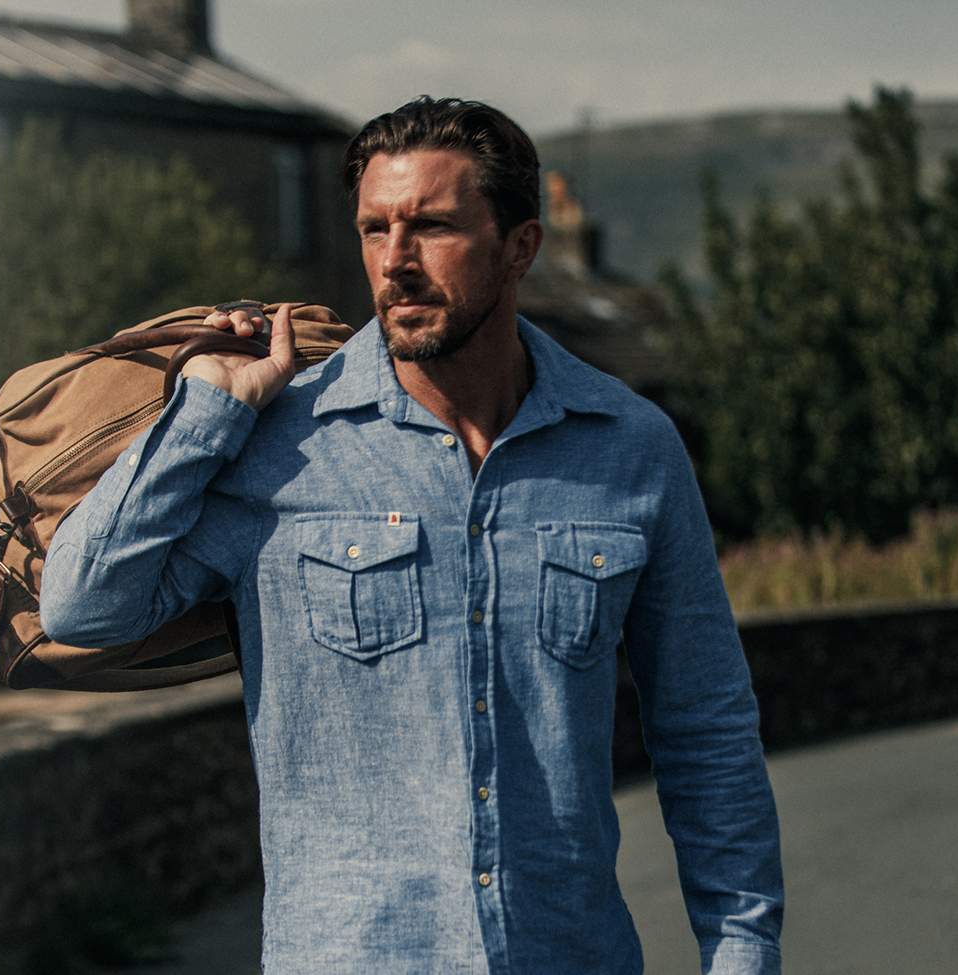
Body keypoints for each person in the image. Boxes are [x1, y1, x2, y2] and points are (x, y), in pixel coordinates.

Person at [40, 96, 783, 975]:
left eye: (431, 227)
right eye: (374, 229)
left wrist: (742, 952)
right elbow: (82, 607)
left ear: (520, 247)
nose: (395, 261)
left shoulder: (631, 448)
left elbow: (706, 726)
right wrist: (207, 409)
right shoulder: (274, 445)